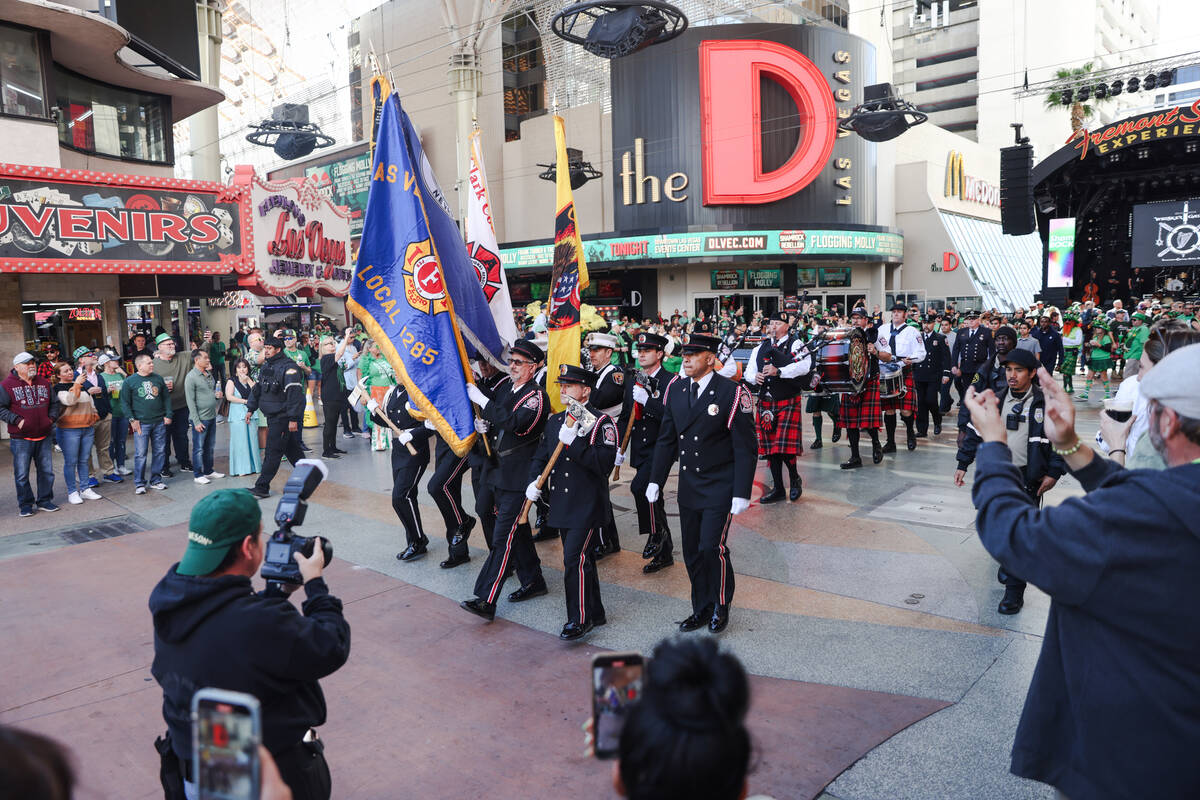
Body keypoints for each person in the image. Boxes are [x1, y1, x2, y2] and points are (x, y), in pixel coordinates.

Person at [960, 344, 1200, 799]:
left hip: (1132, 760)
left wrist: (992, 447)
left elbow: (1012, 533)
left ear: (1166, 423)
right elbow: (1154, 493)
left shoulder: (1133, 518)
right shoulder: (1165, 501)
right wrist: (1069, 443)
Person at [150, 489, 351, 800]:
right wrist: (315, 585)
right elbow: (330, 645)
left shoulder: (171, 598)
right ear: (248, 547)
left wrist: (276, 596)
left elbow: (226, 628)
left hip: (199, 771)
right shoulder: (258, 622)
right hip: (265, 776)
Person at [647, 333, 757, 634]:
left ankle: (721, 604)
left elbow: (745, 447)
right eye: (684, 354)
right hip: (690, 484)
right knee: (693, 551)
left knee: (712, 547)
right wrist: (655, 478)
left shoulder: (732, 392)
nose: (686, 359)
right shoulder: (678, 389)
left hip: (720, 484)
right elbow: (667, 438)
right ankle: (701, 607)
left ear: (710, 358)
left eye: (694, 354)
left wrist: (741, 491)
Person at [953, 349, 1064, 614]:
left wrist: (1054, 472)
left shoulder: (1044, 403)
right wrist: (962, 463)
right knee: (999, 529)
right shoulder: (997, 399)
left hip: (1029, 478)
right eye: (1008, 370)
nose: (1012, 375)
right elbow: (975, 432)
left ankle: (1014, 592)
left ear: (1032, 373)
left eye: (1018, 370)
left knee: (1021, 537)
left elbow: (1060, 438)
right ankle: (1008, 562)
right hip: (998, 476)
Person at [526, 364, 619, 640]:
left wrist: (574, 444)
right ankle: (596, 611)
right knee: (583, 559)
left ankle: (579, 619)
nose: (563, 390)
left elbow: (602, 465)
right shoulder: (556, 421)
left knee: (573, 559)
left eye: (569, 385)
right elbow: (540, 456)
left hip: (588, 503)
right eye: (561, 385)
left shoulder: (600, 422)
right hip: (563, 503)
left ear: (586, 390)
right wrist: (534, 481)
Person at [460, 338, 550, 621]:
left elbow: (515, 423)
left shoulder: (536, 397)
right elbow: (500, 419)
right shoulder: (509, 390)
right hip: (501, 472)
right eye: (511, 361)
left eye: (519, 363)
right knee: (517, 531)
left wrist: (484, 401)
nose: (512, 366)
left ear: (534, 367)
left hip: (519, 478)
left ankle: (486, 599)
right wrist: (483, 424)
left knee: (503, 538)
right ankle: (533, 580)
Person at [617, 332, 677, 573]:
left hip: (662, 447)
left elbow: (673, 418)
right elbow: (624, 417)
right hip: (641, 448)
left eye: (647, 350)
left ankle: (656, 534)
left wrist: (648, 403)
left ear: (660, 354)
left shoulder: (671, 381)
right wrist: (619, 447)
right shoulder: (634, 379)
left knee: (640, 487)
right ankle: (665, 551)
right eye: (639, 350)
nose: (641, 354)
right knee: (653, 495)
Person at [743, 311, 813, 502]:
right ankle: (779, 489)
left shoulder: (796, 345)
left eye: (777, 323)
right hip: (766, 402)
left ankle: (794, 478)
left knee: (784, 448)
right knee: (770, 449)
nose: (772, 326)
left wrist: (779, 371)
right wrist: (754, 377)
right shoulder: (760, 348)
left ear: (786, 326)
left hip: (787, 400)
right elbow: (749, 371)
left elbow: (805, 366)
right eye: (771, 323)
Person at [365, 383, 434, 561]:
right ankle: (413, 540)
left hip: (414, 450)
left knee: (400, 497)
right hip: (398, 450)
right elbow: (389, 421)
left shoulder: (417, 392)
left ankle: (418, 540)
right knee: (408, 497)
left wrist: (413, 434)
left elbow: (433, 423)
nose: (397, 372)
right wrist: (374, 411)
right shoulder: (394, 391)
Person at [0, 352, 61, 516]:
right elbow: (1, 408)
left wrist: (51, 419)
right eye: (27, 363)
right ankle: (26, 504)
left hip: (44, 435)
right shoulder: (6, 385)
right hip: (21, 439)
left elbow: (55, 403)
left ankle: (45, 500)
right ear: (17, 367)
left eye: (33, 362)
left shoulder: (44, 382)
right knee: (21, 474)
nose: (32, 365)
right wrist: (17, 420)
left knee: (46, 471)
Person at [247, 335, 306, 499]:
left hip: (283, 417)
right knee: (292, 450)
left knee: (272, 452)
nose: (265, 351)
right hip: (273, 416)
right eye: (264, 348)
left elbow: (294, 394)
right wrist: (250, 408)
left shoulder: (289, 368)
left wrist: (293, 419)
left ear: (278, 350)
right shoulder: (268, 366)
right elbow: (258, 389)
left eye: (269, 349)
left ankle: (262, 487)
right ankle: (310, 475)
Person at [585, 332, 626, 559]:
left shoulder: (614, 375)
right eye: (591, 350)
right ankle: (606, 539)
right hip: (590, 433)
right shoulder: (593, 373)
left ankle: (606, 541)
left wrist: (582, 384)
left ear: (609, 352)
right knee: (594, 488)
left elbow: (597, 401)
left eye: (597, 350)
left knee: (597, 489)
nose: (592, 354)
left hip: (606, 437)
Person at [875, 303, 926, 452]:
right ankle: (890, 442)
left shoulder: (913, 331)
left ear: (905, 315)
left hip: (904, 370)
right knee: (889, 410)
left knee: (906, 410)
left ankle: (910, 434)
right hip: (885, 371)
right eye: (894, 312)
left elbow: (921, 353)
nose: (896, 314)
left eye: (899, 312)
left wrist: (912, 359)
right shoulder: (882, 330)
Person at [837, 308, 884, 469]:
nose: (856, 321)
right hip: (851, 380)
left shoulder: (875, 334)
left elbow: (889, 356)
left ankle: (876, 443)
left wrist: (876, 352)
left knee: (868, 422)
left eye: (859, 318)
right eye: (854, 318)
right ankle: (855, 457)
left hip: (869, 379)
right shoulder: (847, 334)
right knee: (851, 422)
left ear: (866, 320)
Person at [122, 354, 171, 494]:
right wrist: (132, 419)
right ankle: (139, 483)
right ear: (139, 366)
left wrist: (168, 414)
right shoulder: (130, 381)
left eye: (151, 362)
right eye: (149, 363)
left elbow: (166, 398)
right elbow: (125, 403)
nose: (152, 365)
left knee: (160, 451)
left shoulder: (158, 378)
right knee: (140, 453)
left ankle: (156, 480)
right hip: (141, 423)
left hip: (159, 421)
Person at [53, 362, 101, 505]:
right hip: (69, 430)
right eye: (65, 371)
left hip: (87, 427)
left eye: (70, 369)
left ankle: (85, 489)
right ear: (58, 375)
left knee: (84, 460)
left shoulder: (78, 384)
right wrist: (77, 385)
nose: (69, 372)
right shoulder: (58, 388)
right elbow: (70, 401)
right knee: (71, 462)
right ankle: (72, 492)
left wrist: (94, 415)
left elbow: (89, 401)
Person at [74, 348, 121, 485]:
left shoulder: (98, 375)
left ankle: (108, 472)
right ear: (81, 360)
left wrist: (109, 410)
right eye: (89, 355)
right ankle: (89, 475)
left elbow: (103, 393)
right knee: (86, 449)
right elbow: (71, 398)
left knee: (104, 447)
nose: (94, 356)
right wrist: (87, 392)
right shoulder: (74, 378)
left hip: (104, 415)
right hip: (86, 418)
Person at [153, 333, 192, 477]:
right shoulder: (153, 364)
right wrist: (161, 388)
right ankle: (163, 466)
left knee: (181, 435)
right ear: (159, 348)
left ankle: (184, 461)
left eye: (172, 343)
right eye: (168, 344)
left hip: (182, 405)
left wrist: (207, 342)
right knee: (163, 437)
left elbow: (200, 353)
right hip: (162, 408)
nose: (172, 346)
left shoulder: (183, 357)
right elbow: (147, 383)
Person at [185, 349, 225, 485]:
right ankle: (198, 474)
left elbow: (209, 391)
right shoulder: (191, 377)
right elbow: (190, 401)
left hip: (211, 416)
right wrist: (196, 421)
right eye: (206, 358)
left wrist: (216, 395)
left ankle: (209, 470)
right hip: (200, 418)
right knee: (199, 447)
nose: (208, 360)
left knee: (210, 446)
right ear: (197, 360)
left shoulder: (208, 374)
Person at [912, 315, 950, 437]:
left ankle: (937, 421)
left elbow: (946, 358)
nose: (926, 326)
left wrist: (946, 373)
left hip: (934, 375)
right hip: (919, 374)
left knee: (931, 400)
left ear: (934, 324)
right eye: (924, 323)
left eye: (928, 323)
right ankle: (922, 430)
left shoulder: (940, 338)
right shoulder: (918, 338)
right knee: (921, 403)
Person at [225, 358, 262, 476]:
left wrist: (249, 380)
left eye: (244, 367)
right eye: (239, 367)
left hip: (252, 413)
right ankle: (241, 469)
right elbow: (229, 397)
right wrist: (246, 402)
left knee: (252, 440)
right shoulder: (232, 381)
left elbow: (257, 393)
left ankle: (254, 466)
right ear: (235, 369)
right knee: (240, 442)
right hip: (237, 413)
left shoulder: (251, 380)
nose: (242, 369)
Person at [317, 333, 351, 459]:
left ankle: (332, 446)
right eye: (328, 344)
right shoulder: (326, 357)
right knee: (329, 423)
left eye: (333, 343)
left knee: (334, 423)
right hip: (330, 395)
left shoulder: (331, 358)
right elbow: (340, 353)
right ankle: (326, 450)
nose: (332, 345)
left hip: (338, 394)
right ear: (322, 347)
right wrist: (346, 336)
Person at [99, 354, 132, 479]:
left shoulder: (119, 375)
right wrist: (106, 391)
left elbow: (128, 387)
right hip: (110, 413)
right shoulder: (101, 377)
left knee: (122, 440)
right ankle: (111, 467)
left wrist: (123, 374)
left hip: (122, 411)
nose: (117, 361)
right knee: (110, 442)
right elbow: (98, 395)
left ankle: (121, 465)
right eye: (114, 360)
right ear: (106, 363)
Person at [951, 311, 994, 407]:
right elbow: (956, 349)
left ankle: (978, 410)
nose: (971, 321)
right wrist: (954, 365)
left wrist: (990, 366)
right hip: (965, 367)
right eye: (969, 319)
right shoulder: (962, 332)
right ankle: (968, 411)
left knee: (977, 390)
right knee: (967, 390)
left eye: (973, 319)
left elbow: (991, 351)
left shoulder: (986, 332)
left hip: (980, 367)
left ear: (978, 319)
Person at [1079, 315, 1114, 402]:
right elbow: (1094, 347)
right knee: (1089, 376)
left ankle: (1107, 395)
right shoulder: (1095, 337)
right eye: (1096, 328)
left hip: (1102, 359)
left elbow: (1108, 349)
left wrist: (1098, 345)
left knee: (1104, 377)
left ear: (1103, 329)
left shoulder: (1106, 338)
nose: (1097, 329)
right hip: (1094, 359)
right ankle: (1085, 394)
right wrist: (1089, 345)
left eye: (1099, 328)